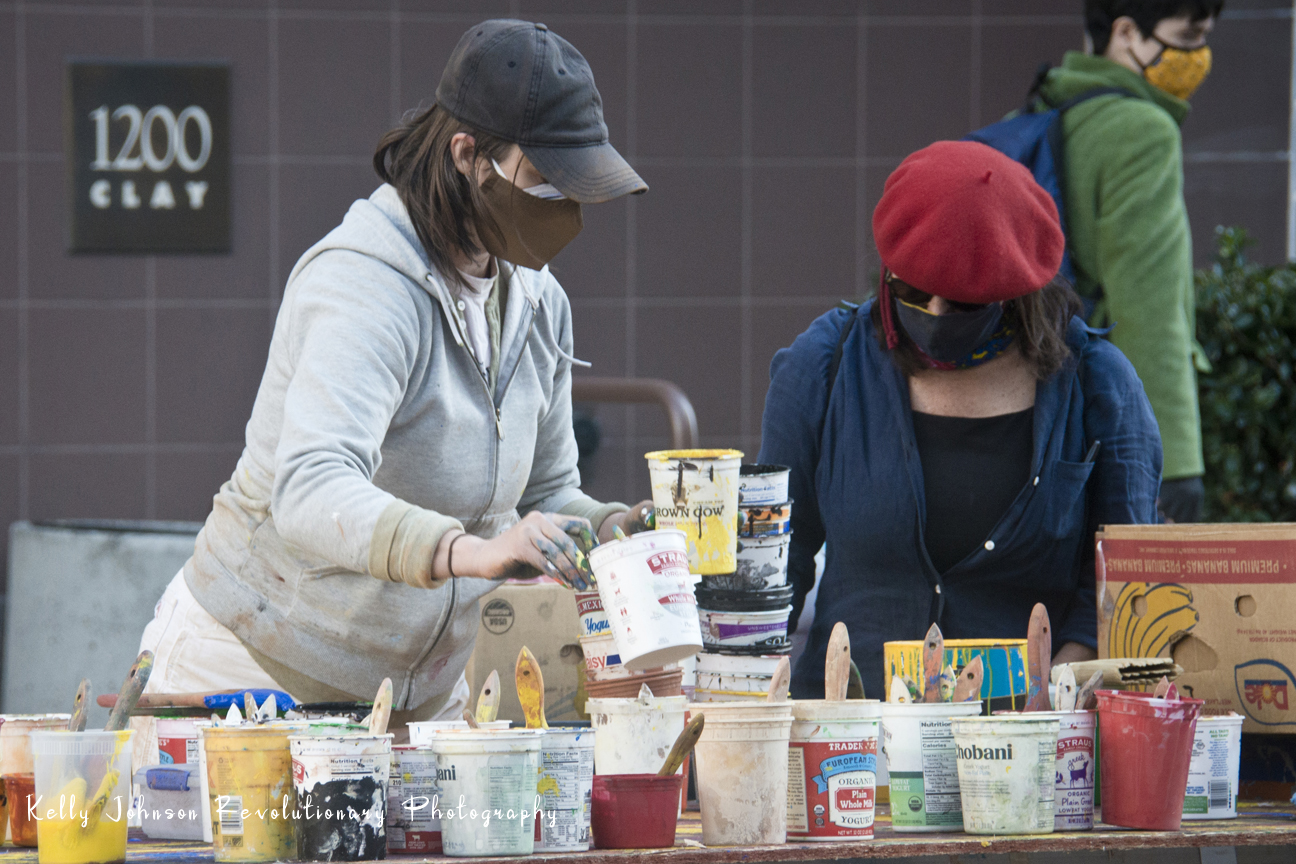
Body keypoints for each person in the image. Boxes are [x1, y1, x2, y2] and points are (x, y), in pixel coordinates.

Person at [135, 19, 652, 729]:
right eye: (543, 180)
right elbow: (312, 488)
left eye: (574, 187)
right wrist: (470, 552)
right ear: (467, 154)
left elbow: (548, 492)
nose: (563, 206)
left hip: (416, 696)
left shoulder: (537, 300)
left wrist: (618, 528)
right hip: (251, 675)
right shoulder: (364, 285)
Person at [759, 141, 1163, 700]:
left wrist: (1058, 693)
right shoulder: (823, 368)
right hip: (846, 749)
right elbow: (772, 563)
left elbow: (1123, 586)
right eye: (911, 292)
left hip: (1032, 746)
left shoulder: (1097, 386)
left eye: (965, 303)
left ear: (1017, 292)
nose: (936, 315)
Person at [1036, 0, 1222, 523]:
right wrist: (1176, 464)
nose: (1200, 57)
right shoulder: (1142, 130)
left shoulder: (1041, 112)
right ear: (1126, 34)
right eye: (1187, 38)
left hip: (1033, 406)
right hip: (1105, 418)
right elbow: (1149, 307)